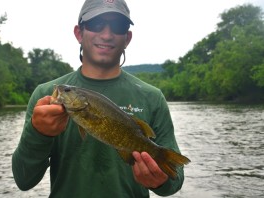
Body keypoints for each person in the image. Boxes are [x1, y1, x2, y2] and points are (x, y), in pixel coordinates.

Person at [12, 0, 186, 197]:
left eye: (118, 26)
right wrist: (38, 134)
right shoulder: (44, 97)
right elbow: (23, 180)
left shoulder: (152, 97)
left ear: (127, 38)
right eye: (96, 24)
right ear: (79, 33)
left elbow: (175, 180)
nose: (106, 34)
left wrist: (160, 182)